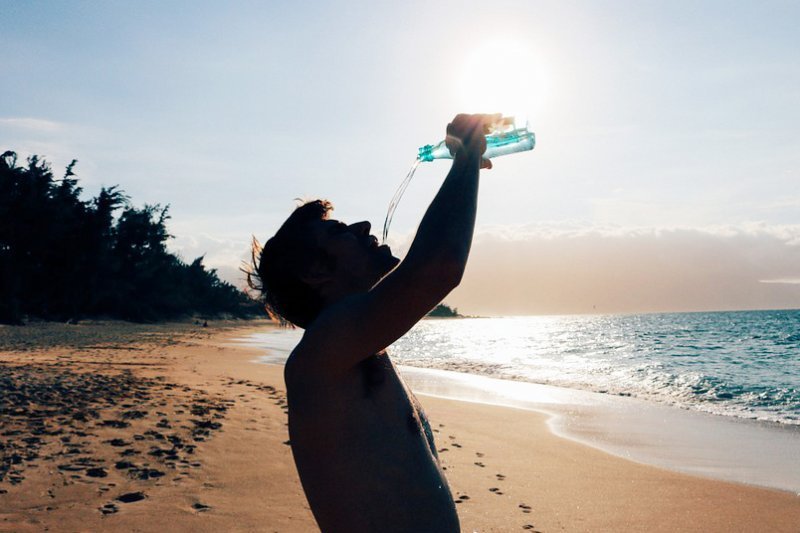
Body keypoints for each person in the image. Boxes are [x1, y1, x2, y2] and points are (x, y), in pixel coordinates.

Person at [248, 114, 497, 532]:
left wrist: (465, 165)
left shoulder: (354, 351)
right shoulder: (322, 354)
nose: (363, 226)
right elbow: (439, 267)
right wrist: (466, 157)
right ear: (315, 272)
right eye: (340, 232)